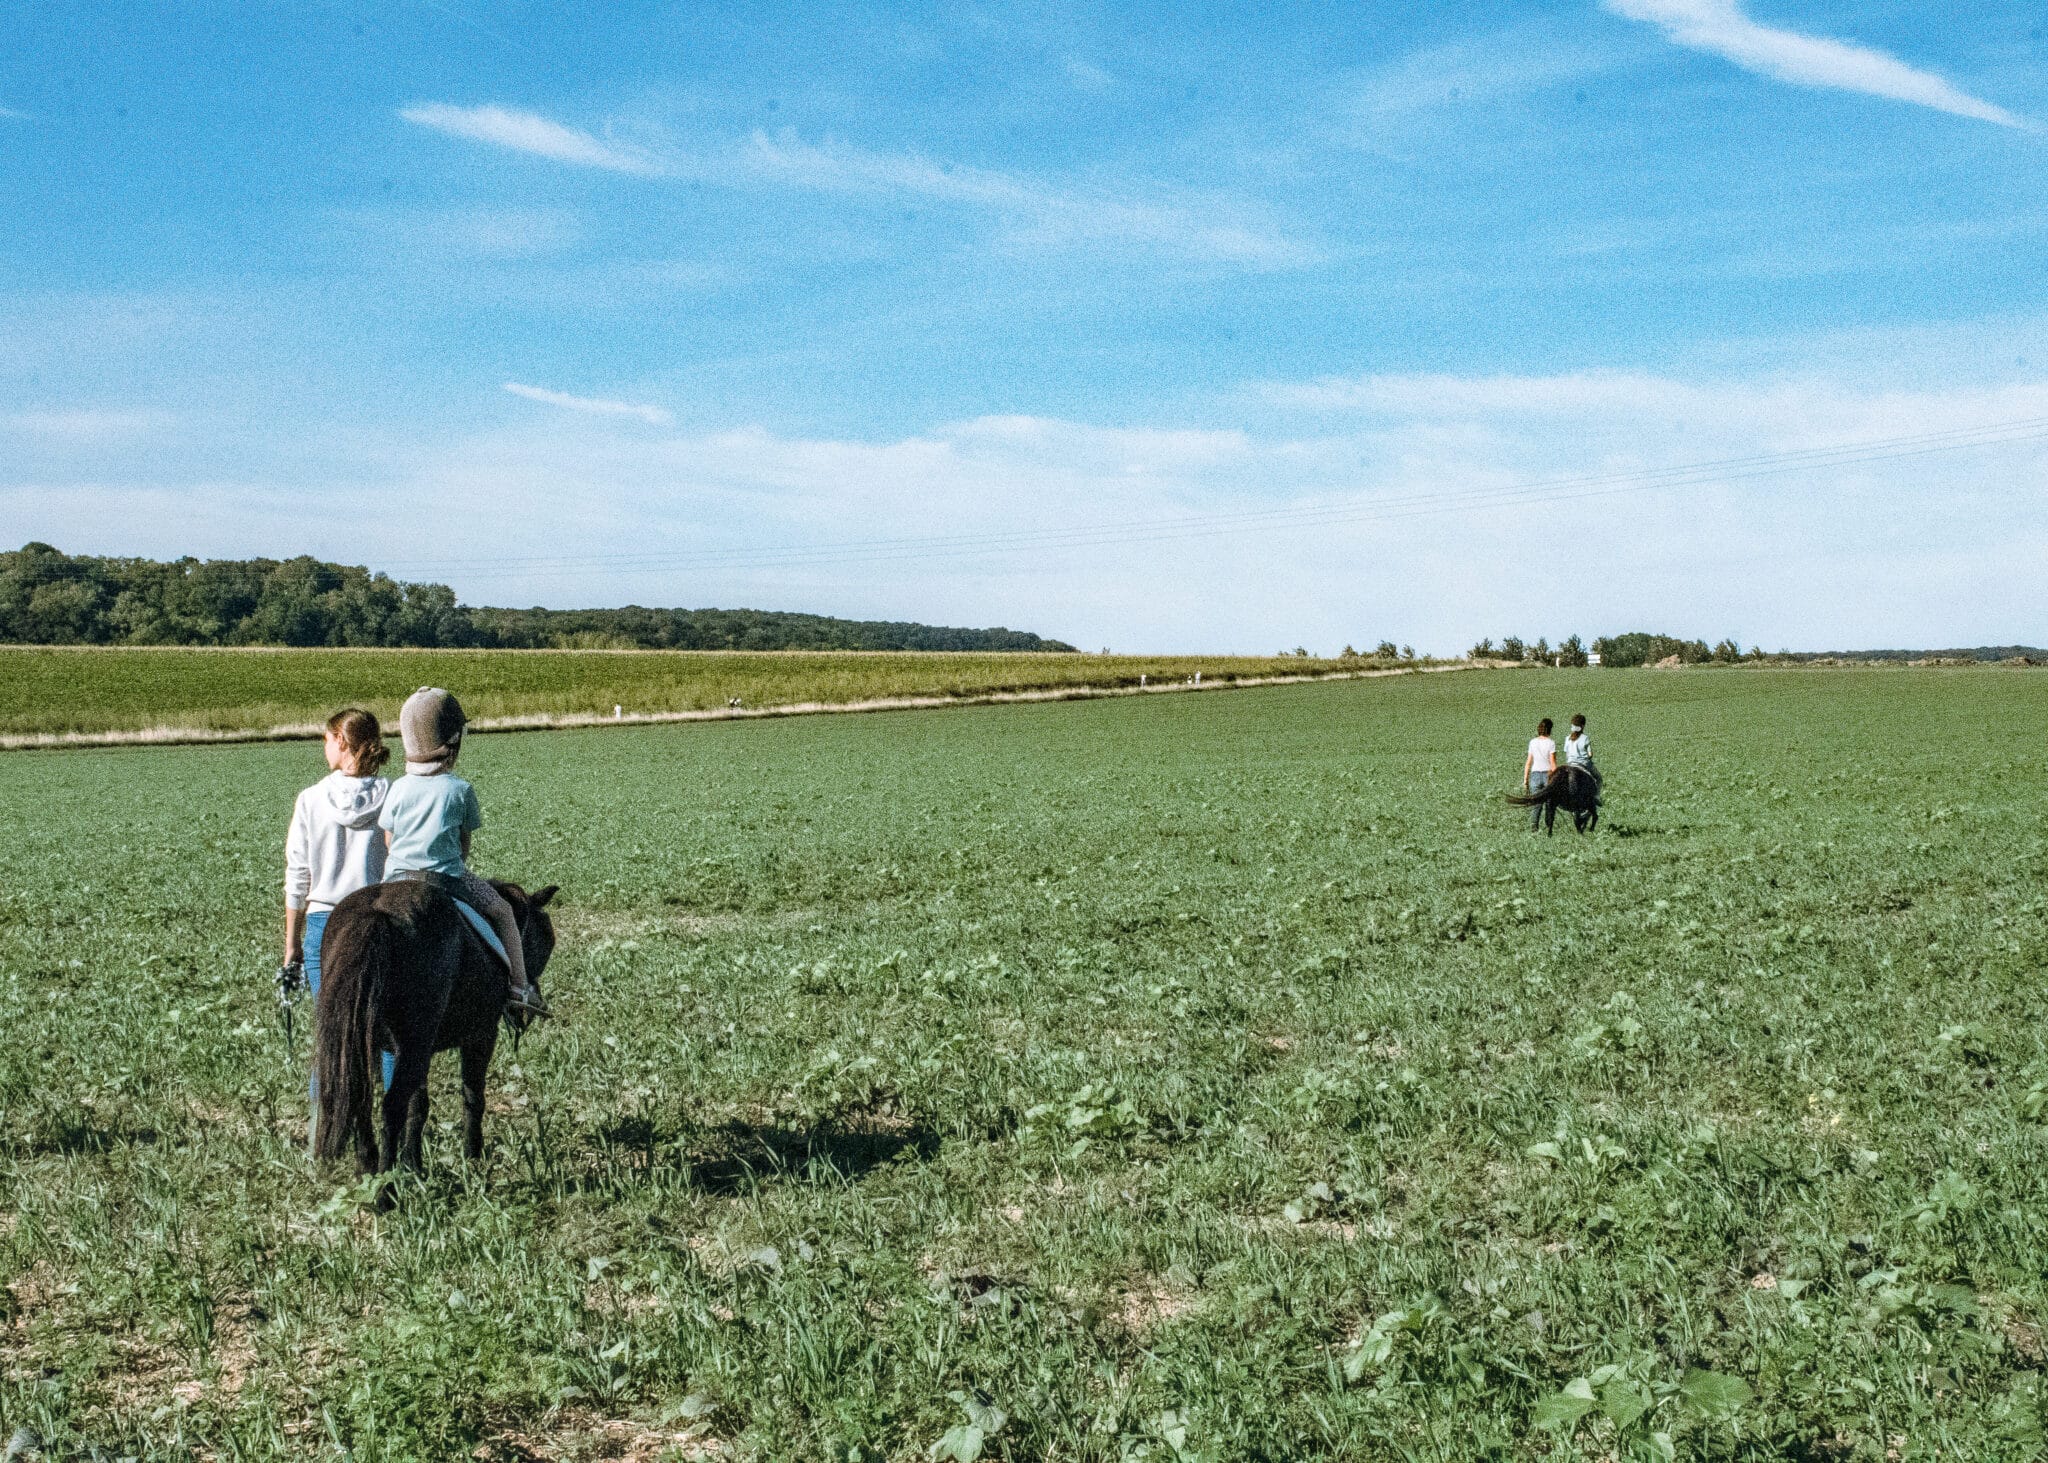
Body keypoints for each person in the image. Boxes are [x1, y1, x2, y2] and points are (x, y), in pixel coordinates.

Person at [380, 686, 546, 1015]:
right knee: (503, 913)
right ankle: (520, 987)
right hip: (446, 879)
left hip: (394, 879)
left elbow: (388, 839)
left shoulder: (397, 788)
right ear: (453, 741)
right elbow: (463, 842)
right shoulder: (460, 789)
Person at [284, 708, 395, 1095]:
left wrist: (291, 944)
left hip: (323, 925)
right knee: (387, 1029)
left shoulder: (310, 799)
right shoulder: (393, 797)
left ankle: (322, 1130)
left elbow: (298, 877)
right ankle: (394, 1126)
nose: (324, 746)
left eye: (328, 739)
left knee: (331, 1035)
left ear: (342, 742)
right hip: (376, 918)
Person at [1521, 716, 1557, 832]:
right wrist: (1557, 777)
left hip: (1535, 775)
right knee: (1549, 803)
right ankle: (1548, 827)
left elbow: (1528, 762)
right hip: (1548, 775)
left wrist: (1525, 780)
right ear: (1549, 729)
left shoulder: (1533, 742)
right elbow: (1552, 763)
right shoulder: (1551, 743)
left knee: (1536, 803)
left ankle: (1534, 827)